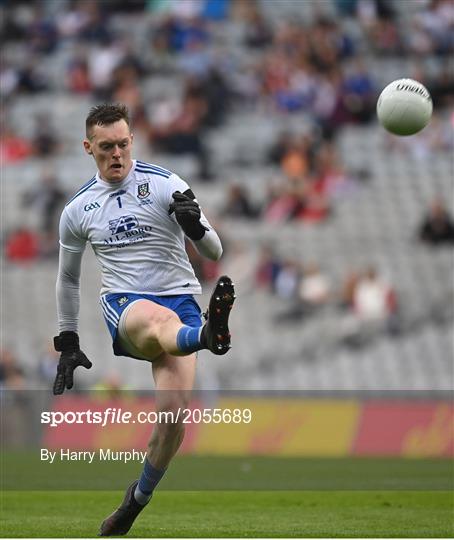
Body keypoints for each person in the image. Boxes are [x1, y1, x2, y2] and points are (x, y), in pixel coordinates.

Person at [52, 103, 235, 536]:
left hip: (183, 301)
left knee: (173, 416)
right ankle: (208, 335)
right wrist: (68, 339)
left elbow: (215, 253)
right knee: (155, 320)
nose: (116, 154)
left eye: (122, 144)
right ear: (88, 147)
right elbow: (68, 279)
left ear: (132, 140)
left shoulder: (165, 184)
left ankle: (135, 502)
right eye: (105, 147)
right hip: (126, 304)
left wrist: (198, 230)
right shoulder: (78, 210)